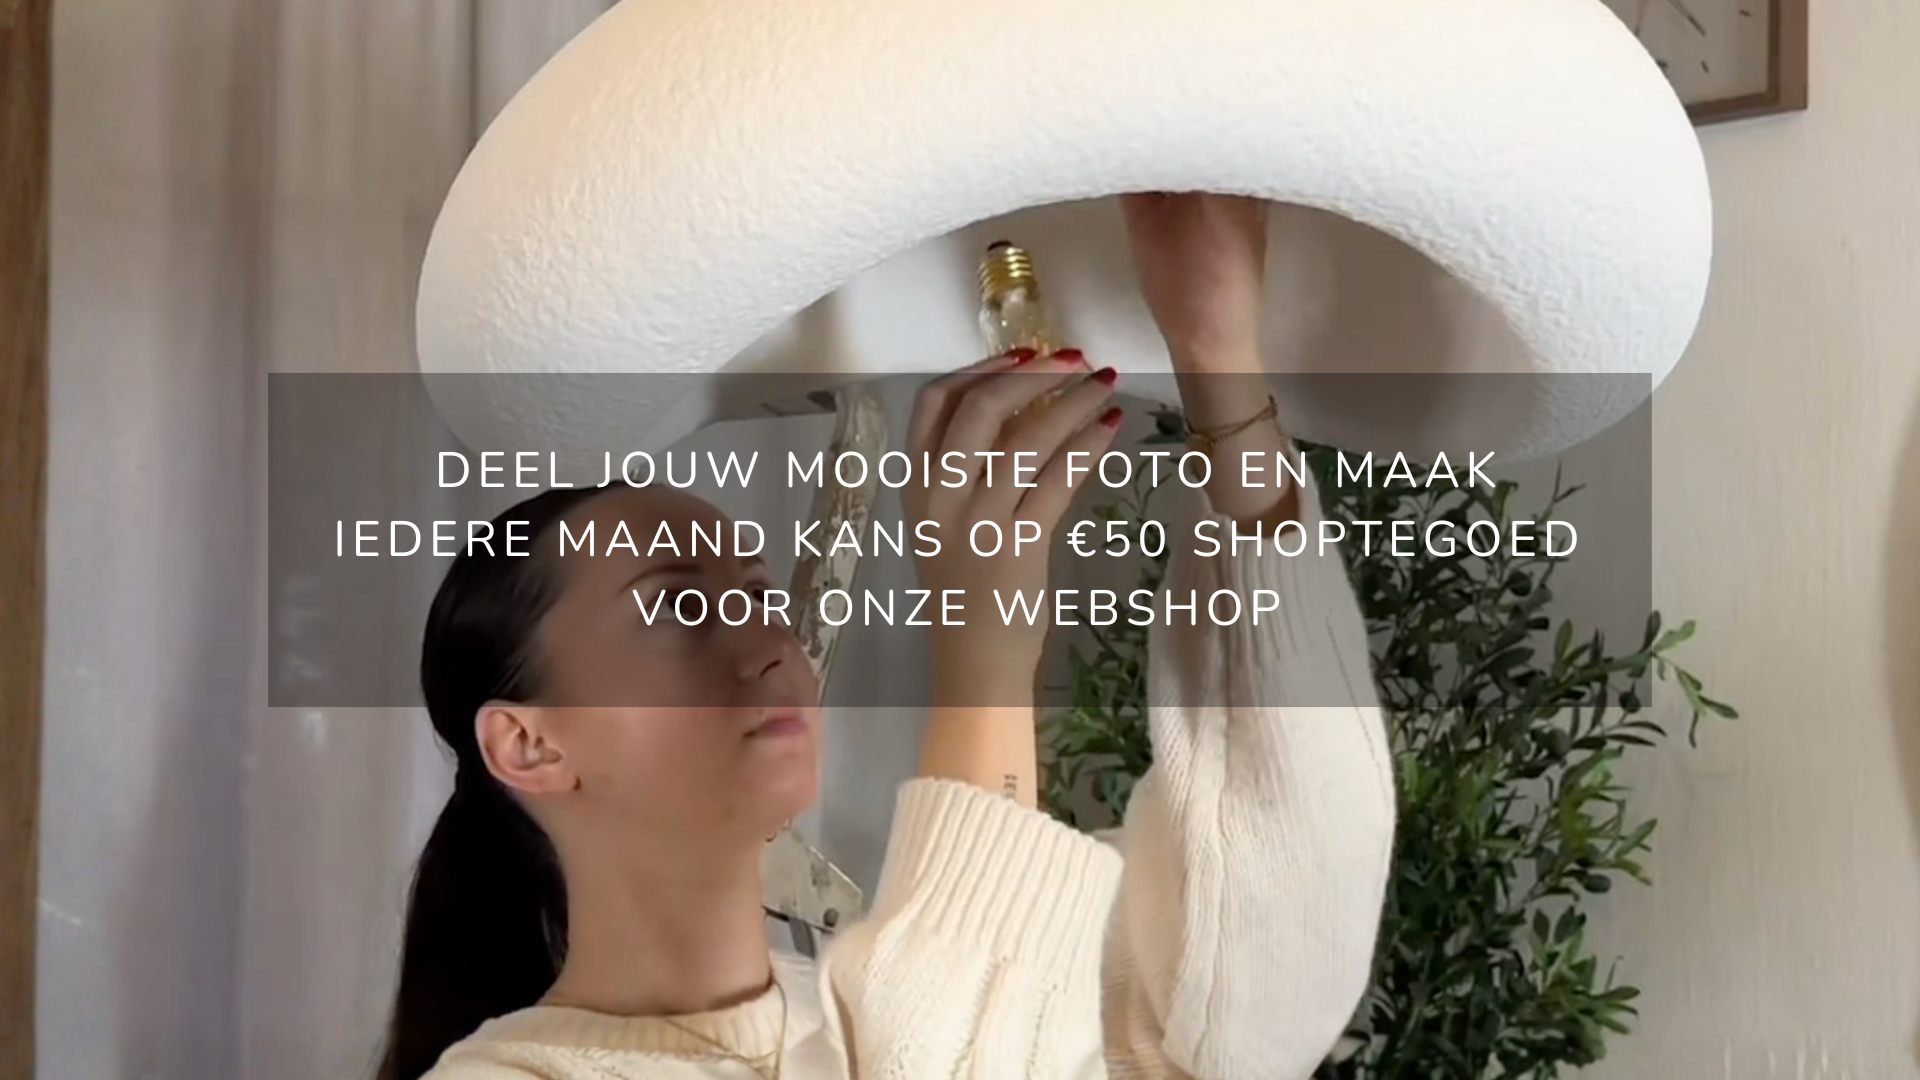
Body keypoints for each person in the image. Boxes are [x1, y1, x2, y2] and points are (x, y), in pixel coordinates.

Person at [375, 192, 1396, 1080]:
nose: (768, 642)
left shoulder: (869, 997)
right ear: (530, 743)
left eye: (758, 593)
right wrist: (986, 663)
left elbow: (1254, 996)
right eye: (680, 606)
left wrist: (1223, 371)